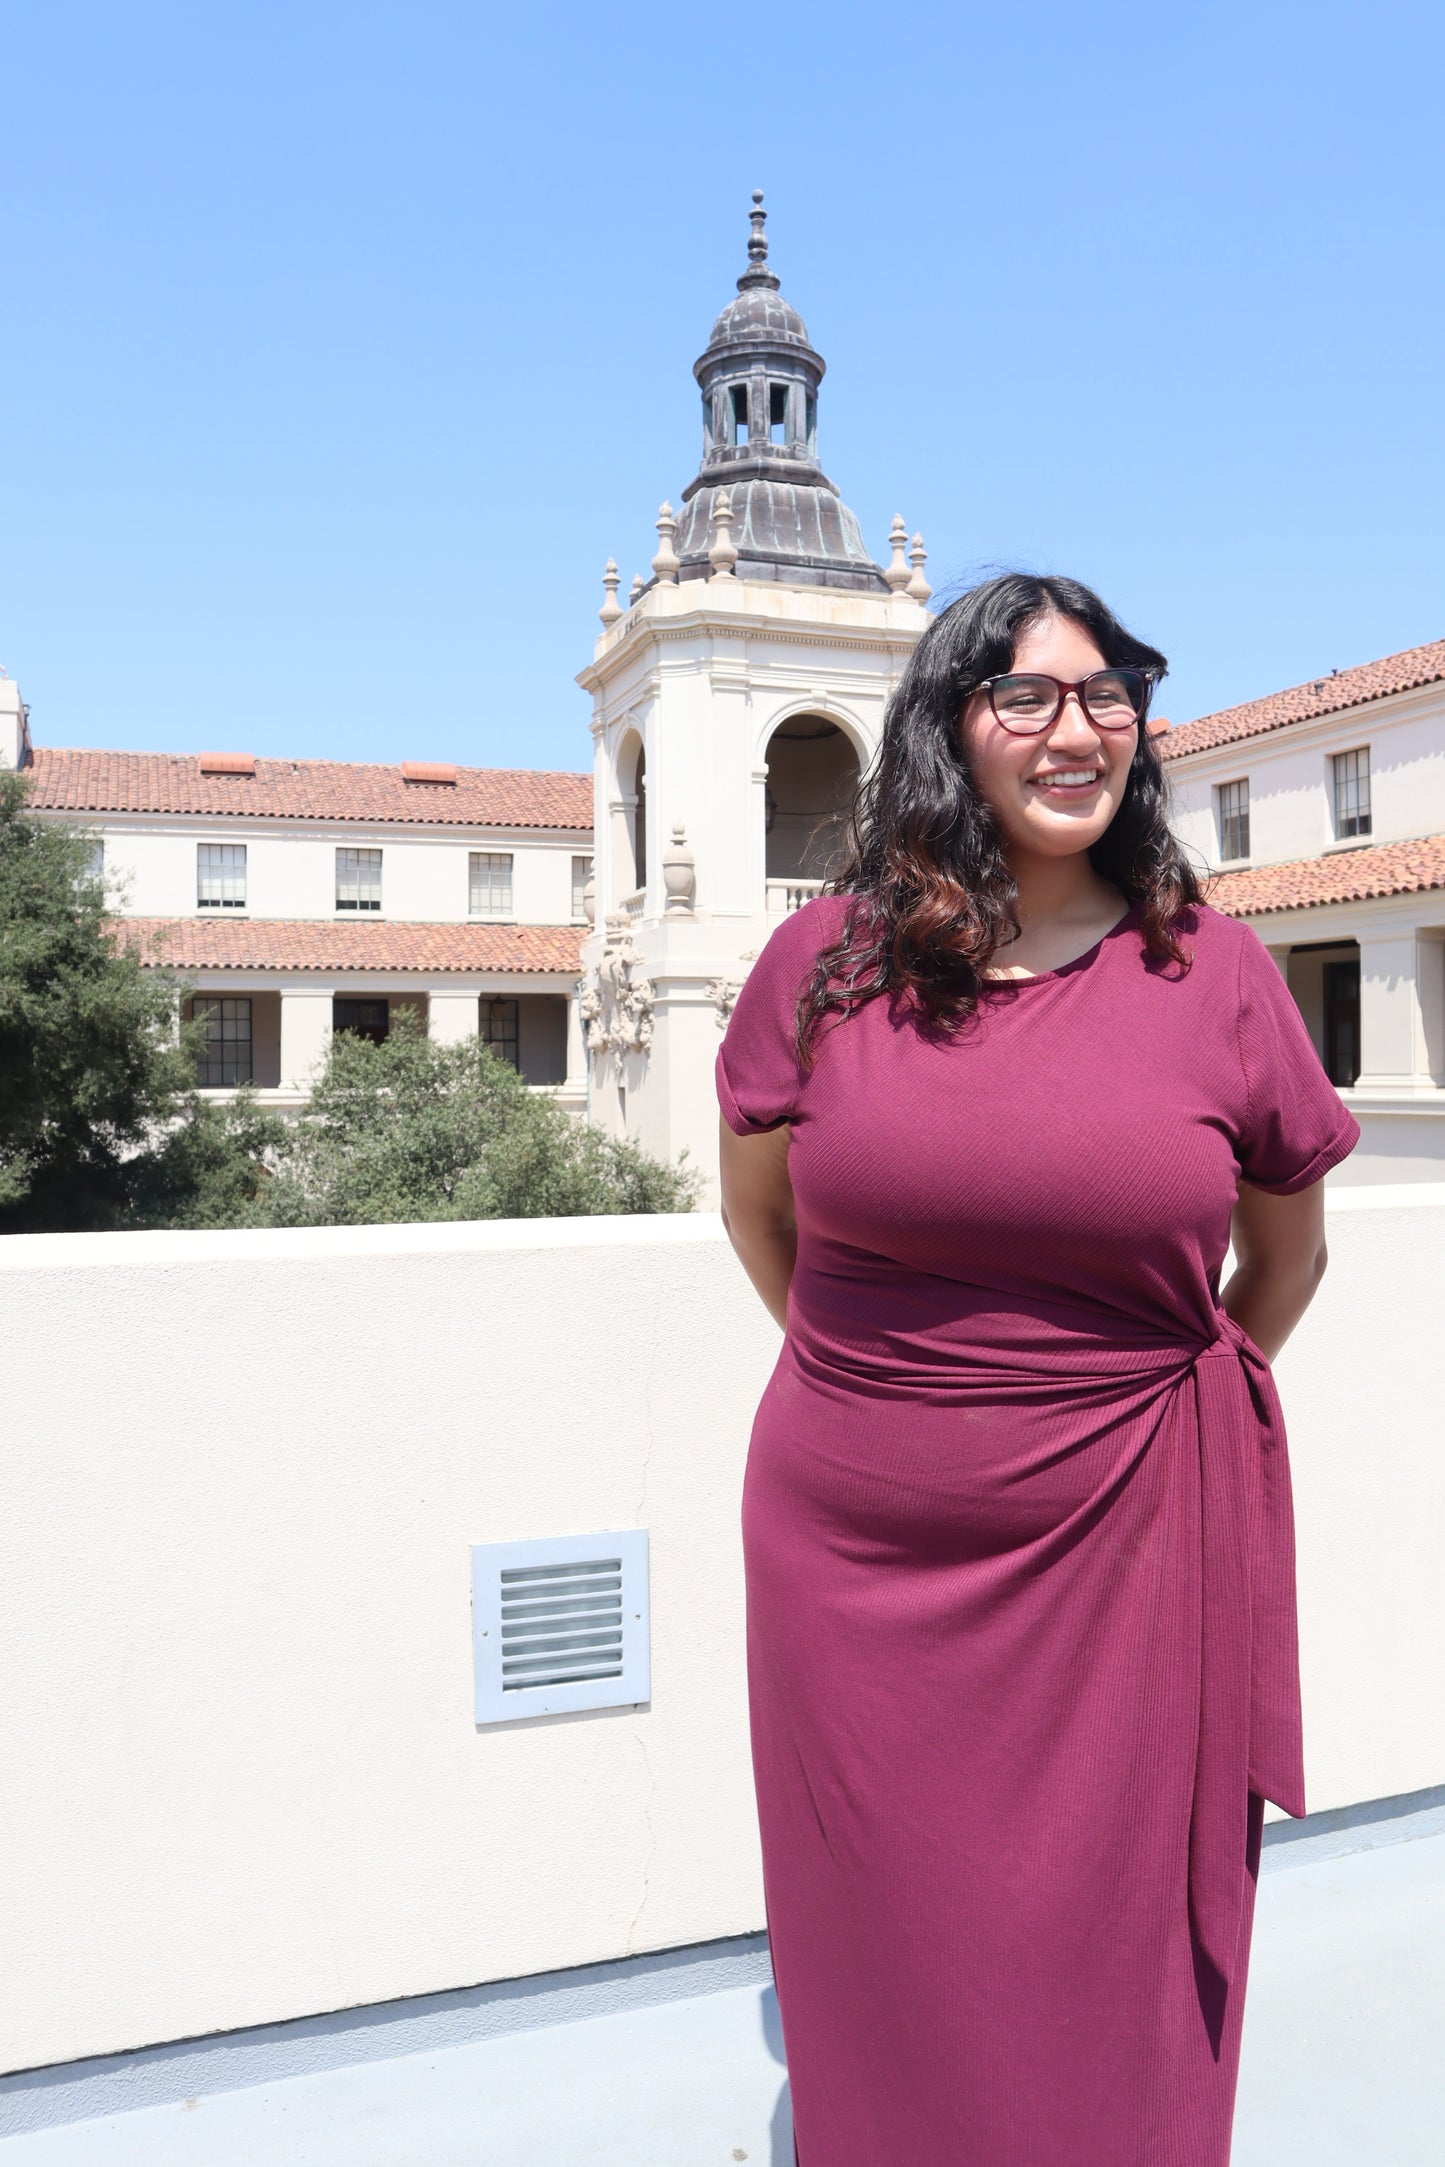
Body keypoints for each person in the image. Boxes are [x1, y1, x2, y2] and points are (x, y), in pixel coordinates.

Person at [715, 572, 1361, 2167]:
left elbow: (1282, 1262)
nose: (1074, 730)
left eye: (1107, 694)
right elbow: (763, 1230)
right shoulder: (821, 964)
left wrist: (1125, 1413)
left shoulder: (1212, 973)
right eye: (1025, 696)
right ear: (950, 727)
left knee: (1110, 1951)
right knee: (882, 1939)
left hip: (1126, 1548)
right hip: (853, 1552)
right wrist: (904, 1404)